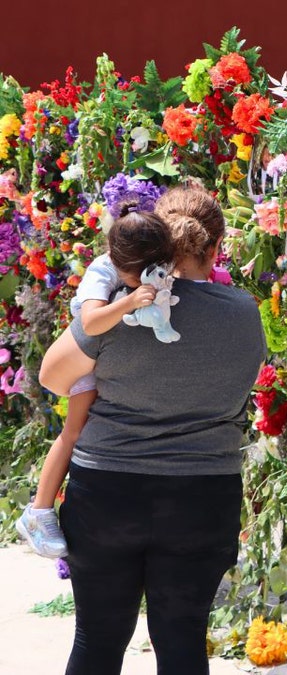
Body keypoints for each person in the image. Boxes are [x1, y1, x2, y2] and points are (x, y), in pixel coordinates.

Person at [39, 186, 266, 675]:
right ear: (216, 247)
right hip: (202, 496)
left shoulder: (118, 312)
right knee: (183, 643)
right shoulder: (243, 313)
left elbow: (52, 378)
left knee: (97, 642)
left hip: (108, 493)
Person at [16, 208, 171, 559]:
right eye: (136, 274)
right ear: (118, 261)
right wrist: (131, 300)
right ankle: (38, 512)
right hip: (87, 359)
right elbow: (90, 323)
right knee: (74, 430)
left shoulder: (146, 264)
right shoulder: (102, 271)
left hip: (109, 359)